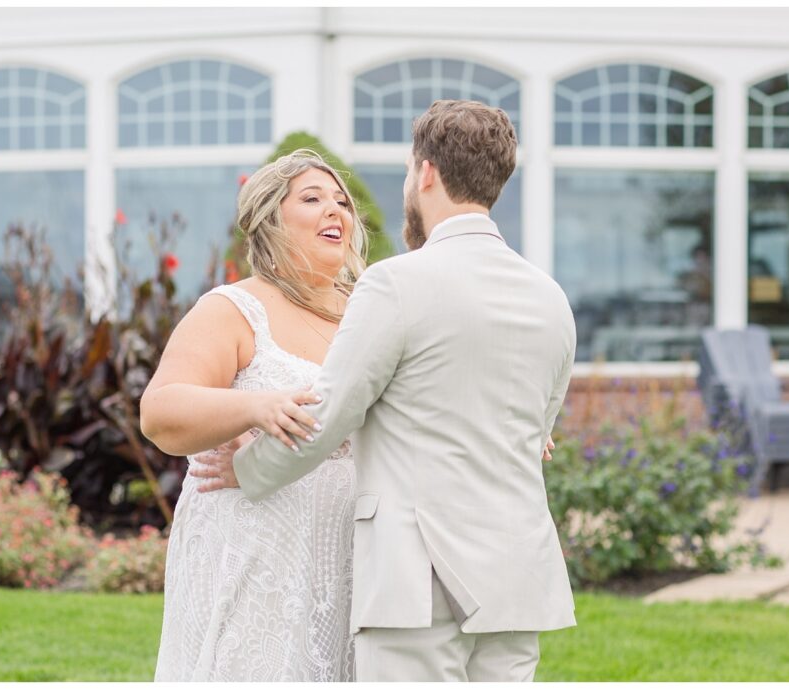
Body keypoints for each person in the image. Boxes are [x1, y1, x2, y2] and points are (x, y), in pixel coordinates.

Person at [199, 100, 577, 681]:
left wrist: (247, 469)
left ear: (425, 173)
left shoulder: (396, 283)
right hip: (517, 577)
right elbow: (538, 432)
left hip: (419, 580)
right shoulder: (551, 298)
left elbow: (327, 417)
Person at [140, 149, 367, 681]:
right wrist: (256, 406)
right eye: (312, 199)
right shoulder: (235, 309)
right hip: (255, 553)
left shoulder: (369, 311)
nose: (336, 210)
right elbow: (160, 411)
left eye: (342, 201)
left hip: (353, 552)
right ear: (269, 220)